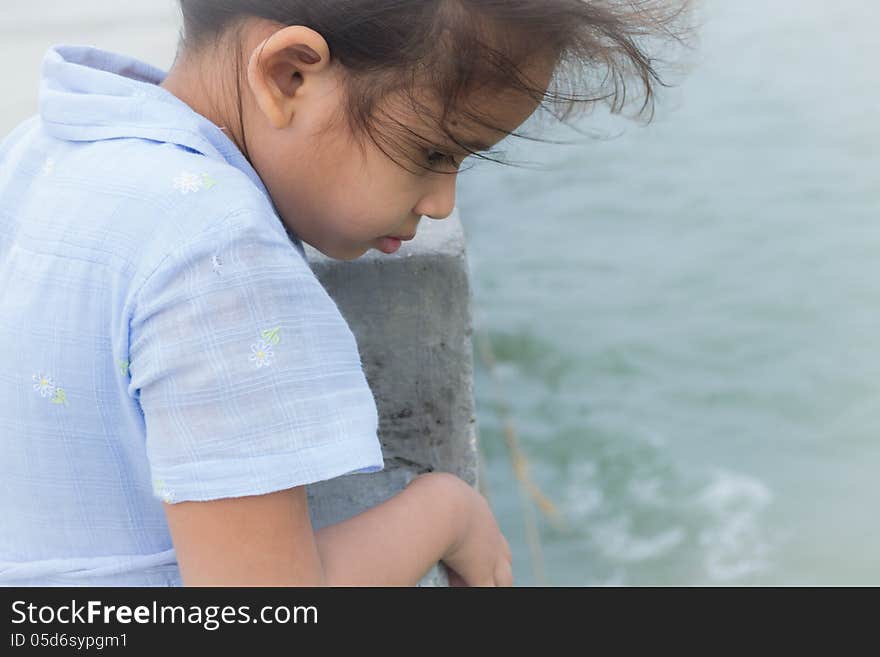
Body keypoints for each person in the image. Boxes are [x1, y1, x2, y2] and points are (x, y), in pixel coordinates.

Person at [0, 0, 689, 586]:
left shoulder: (41, 148)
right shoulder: (222, 253)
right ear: (289, 75)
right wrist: (447, 513)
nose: (443, 203)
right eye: (431, 152)